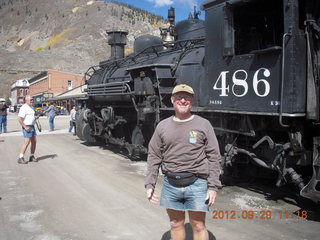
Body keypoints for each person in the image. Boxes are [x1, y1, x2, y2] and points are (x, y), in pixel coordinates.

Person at [145, 84, 221, 240]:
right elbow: (154, 155)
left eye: (186, 97)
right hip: (170, 184)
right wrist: (150, 183)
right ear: (172, 100)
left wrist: (213, 186)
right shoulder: (162, 126)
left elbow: (214, 156)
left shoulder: (203, 124)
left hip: (197, 183)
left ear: (192, 100)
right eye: (179, 97)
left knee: (199, 226)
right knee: (175, 223)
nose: (183, 100)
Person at [17, 95, 39, 164]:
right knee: (26, 142)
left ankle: (31, 156)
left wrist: (35, 117)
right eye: (31, 100)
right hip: (27, 126)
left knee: (34, 141)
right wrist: (25, 127)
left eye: (32, 100)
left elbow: (30, 116)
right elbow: (19, 119)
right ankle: (20, 157)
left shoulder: (31, 107)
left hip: (32, 126)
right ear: (27, 100)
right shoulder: (24, 107)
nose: (32, 101)